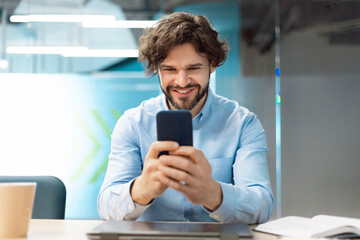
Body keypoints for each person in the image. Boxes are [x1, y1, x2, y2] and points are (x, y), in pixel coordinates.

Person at [97, 12, 274, 223]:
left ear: (212, 65)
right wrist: (141, 190)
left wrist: (213, 194)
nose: (181, 82)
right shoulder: (133, 124)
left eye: (193, 68)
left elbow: (263, 205)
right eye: (170, 69)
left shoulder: (243, 124)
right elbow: (106, 207)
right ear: (156, 69)